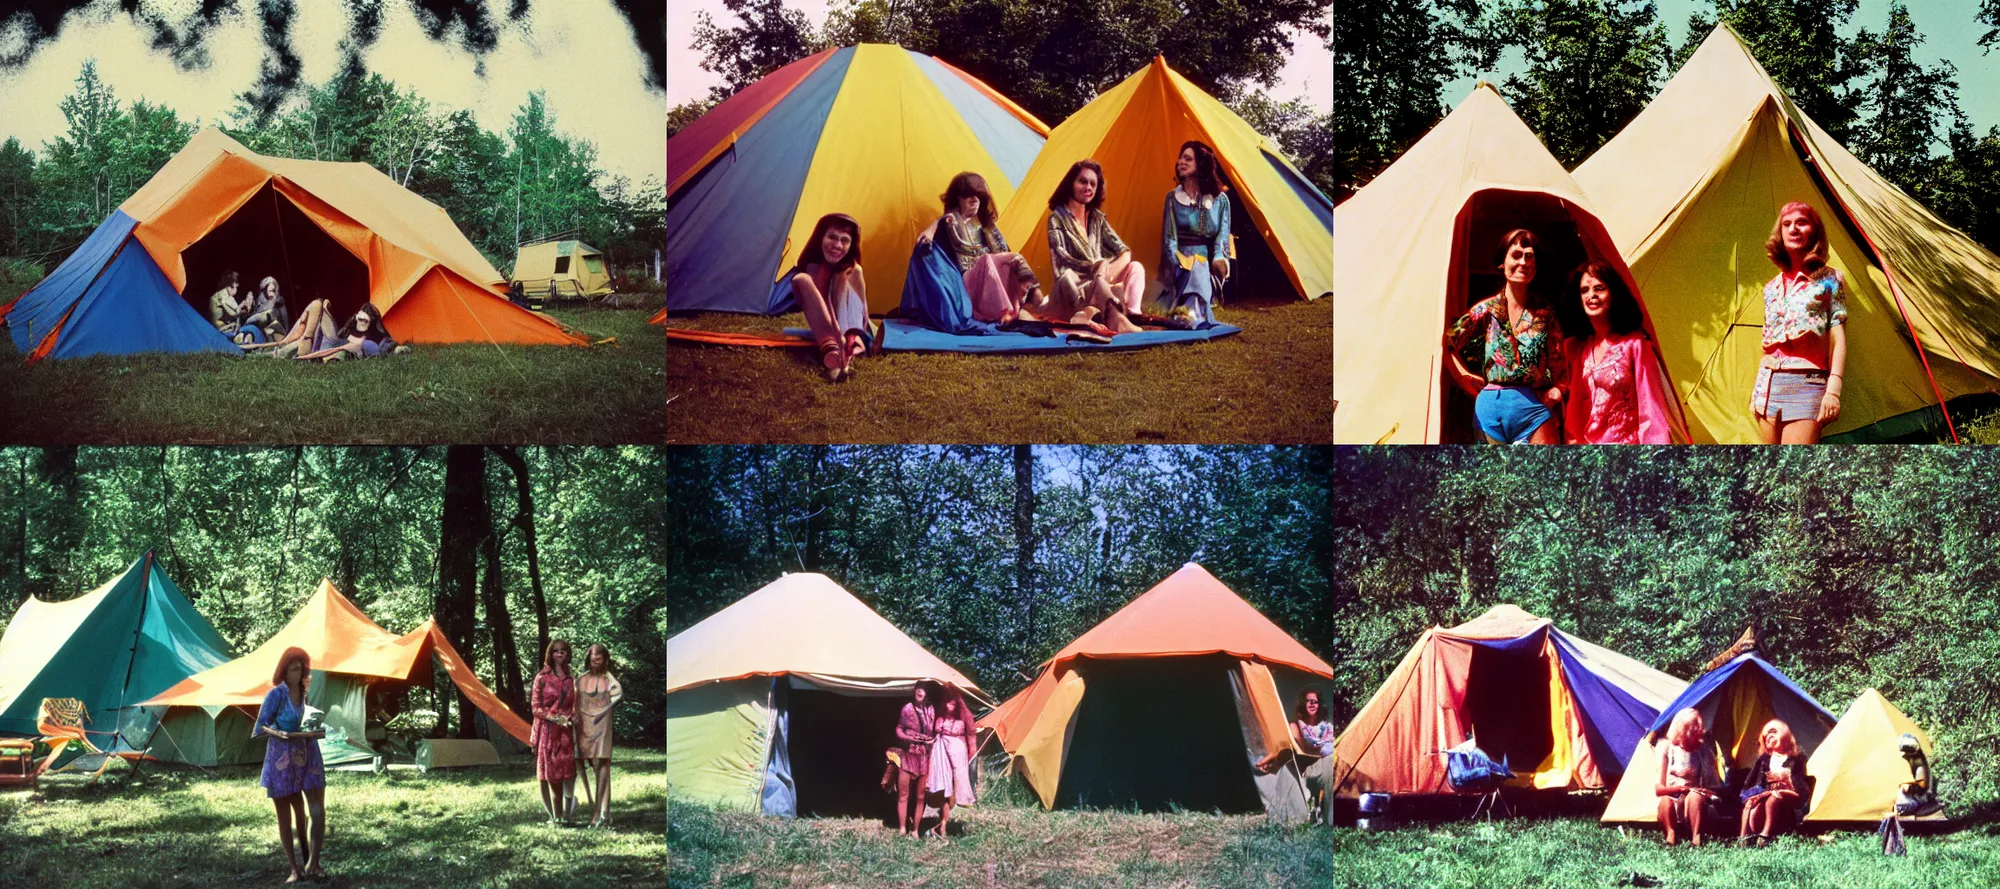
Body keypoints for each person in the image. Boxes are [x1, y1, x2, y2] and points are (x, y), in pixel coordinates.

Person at [1444, 229, 1568, 444]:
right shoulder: (1485, 309)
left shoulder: (1545, 313)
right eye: (1516, 255)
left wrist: (1557, 390)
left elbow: (1561, 367)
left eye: (1529, 256)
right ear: (1502, 262)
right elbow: (1446, 343)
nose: (1523, 262)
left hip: (1533, 411)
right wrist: (1462, 375)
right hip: (1490, 409)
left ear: (1536, 267)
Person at [1753, 201, 1848, 444]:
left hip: (1807, 384)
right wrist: (1757, 392)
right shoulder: (1771, 288)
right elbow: (1768, 344)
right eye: (1787, 224)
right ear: (1780, 233)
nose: (1793, 229)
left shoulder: (1829, 279)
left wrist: (1833, 390)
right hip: (1767, 386)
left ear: (1814, 231)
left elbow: (1837, 336)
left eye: (1801, 222)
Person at [1560, 260, 1677, 444]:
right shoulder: (1577, 349)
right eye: (1585, 290)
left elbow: (1651, 409)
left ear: (1614, 294)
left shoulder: (1635, 344)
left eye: (1599, 288)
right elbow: (1573, 413)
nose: (1592, 296)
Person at [919, 172, 1043, 323]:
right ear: (957, 198)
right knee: (986, 261)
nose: (974, 200)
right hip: (964, 290)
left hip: (991, 286)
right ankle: (1005, 311)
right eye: (968, 195)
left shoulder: (986, 228)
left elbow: (1005, 253)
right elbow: (929, 254)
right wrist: (934, 228)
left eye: (978, 196)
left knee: (1012, 258)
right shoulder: (948, 223)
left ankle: (1033, 297)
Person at [1045, 160, 1143, 334]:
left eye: (1093, 184)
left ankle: (1133, 315)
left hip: (1101, 280)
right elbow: (1062, 259)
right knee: (1097, 278)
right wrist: (1098, 267)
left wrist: (1108, 269)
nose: (1088, 187)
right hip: (1074, 287)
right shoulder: (1057, 218)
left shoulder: (1097, 219)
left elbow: (1124, 251)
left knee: (1135, 267)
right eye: (1083, 181)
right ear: (1071, 184)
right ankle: (1118, 320)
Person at [255, 646, 327, 883]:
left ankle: (313, 862)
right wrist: (279, 733)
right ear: (284, 671)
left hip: (307, 752)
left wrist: (314, 729)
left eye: (300, 668)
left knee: (316, 808)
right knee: (283, 814)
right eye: (292, 668)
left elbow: (306, 720)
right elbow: (261, 725)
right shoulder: (277, 694)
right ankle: (295, 869)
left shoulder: (304, 691)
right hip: (281, 758)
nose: (297, 673)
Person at [777, 213, 868, 382]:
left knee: (850, 272)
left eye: (845, 240)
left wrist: (852, 338)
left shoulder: (853, 270)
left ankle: (839, 355)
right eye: (832, 237)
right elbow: (819, 308)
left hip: (851, 330)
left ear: (851, 245)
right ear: (821, 238)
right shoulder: (812, 267)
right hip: (828, 329)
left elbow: (860, 315)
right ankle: (833, 350)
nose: (837, 245)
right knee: (800, 279)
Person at [1160, 141, 1232, 326]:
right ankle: (1191, 313)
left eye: (1188, 158)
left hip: (1208, 264)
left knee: (1200, 266)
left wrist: (1218, 259)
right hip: (1179, 263)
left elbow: (1222, 237)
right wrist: (1180, 263)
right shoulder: (1171, 199)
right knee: (1194, 266)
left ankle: (1193, 311)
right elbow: (1169, 240)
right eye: (1180, 158)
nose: (1181, 162)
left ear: (1201, 164)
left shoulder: (1220, 200)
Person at [1654, 708, 1724, 847]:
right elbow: (1658, 789)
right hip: (1672, 799)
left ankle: (1696, 836)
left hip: (1695, 802)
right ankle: (1671, 834)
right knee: (1665, 800)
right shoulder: (1665, 746)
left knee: (1695, 796)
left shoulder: (1703, 748)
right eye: (1693, 731)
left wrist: (1699, 791)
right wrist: (1679, 789)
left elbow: (1713, 785)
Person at [575, 643, 625, 829]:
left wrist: (602, 710)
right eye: (592, 658)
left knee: (603, 764)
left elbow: (617, 695)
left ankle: (600, 813)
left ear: (605, 660)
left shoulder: (609, 680)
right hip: (585, 727)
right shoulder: (581, 680)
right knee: (594, 765)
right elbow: (576, 703)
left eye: (599, 658)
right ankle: (604, 812)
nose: (595, 662)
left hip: (602, 725)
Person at [1739, 719, 1808, 846]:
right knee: (1751, 802)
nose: (1769, 738)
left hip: (1790, 795)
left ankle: (1766, 835)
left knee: (1774, 797)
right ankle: (1744, 837)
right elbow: (1750, 783)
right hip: (1767, 794)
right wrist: (1753, 796)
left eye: (1773, 733)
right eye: (1766, 737)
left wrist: (1772, 793)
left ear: (1784, 734)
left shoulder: (1796, 759)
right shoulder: (1764, 760)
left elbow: (1800, 789)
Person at [531, 639, 578, 825]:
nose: (560, 654)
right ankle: (554, 816)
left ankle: (567, 814)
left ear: (568, 654)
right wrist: (553, 717)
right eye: (556, 651)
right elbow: (535, 708)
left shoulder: (571, 679)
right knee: (549, 773)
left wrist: (573, 716)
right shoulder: (542, 678)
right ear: (550, 654)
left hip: (566, 732)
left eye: (563, 651)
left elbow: (576, 704)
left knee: (568, 772)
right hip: (547, 731)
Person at [924, 683, 978, 839]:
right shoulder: (940, 718)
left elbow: (971, 735)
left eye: (954, 701)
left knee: (955, 790)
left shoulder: (964, 718)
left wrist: (971, 754)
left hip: (958, 753)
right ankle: (941, 827)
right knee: (946, 791)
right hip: (943, 755)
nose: (951, 704)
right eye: (949, 701)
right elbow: (935, 732)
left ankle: (941, 825)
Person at [893, 680, 939, 838]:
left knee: (920, 796)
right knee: (903, 793)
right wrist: (905, 737)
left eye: (924, 689)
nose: (920, 691)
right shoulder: (907, 708)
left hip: (924, 756)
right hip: (909, 753)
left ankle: (915, 830)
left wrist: (932, 740)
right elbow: (899, 728)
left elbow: (934, 731)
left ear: (928, 693)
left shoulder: (931, 710)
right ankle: (902, 829)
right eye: (918, 688)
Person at [240, 276, 292, 344]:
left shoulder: (279, 302)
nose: (271, 294)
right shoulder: (260, 303)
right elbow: (253, 319)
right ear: (264, 291)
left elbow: (285, 322)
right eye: (269, 291)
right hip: (262, 334)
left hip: (278, 334)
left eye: (273, 291)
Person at [209, 271, 247, 340]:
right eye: (236, 287)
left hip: (216, 326)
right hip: (221, 329)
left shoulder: (219, 294)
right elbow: (234, 313)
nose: (236, 290)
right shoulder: (224, 295)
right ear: (233, 285)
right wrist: (244, 308)